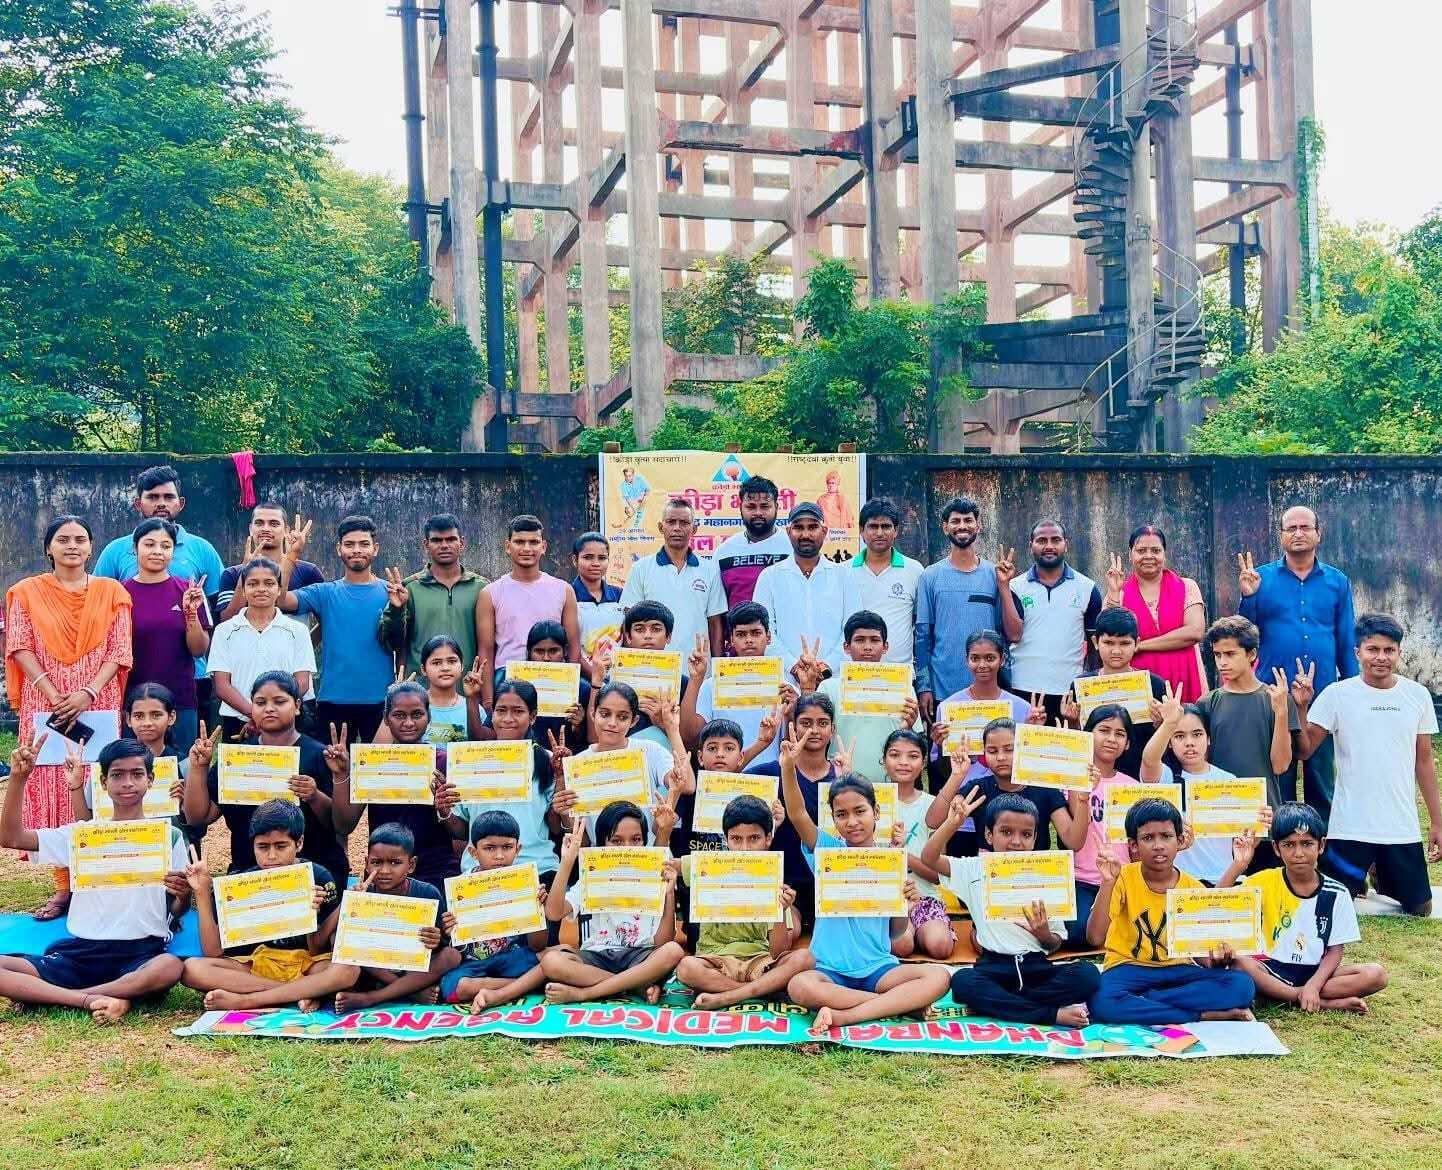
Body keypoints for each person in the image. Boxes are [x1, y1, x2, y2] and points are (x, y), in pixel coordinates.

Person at [0, 734, 187, 1023]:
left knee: (170, 967)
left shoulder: (169, 837)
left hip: (140, 952)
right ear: (103, 782)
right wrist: (18, 778)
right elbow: (11, 838)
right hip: (82, 952)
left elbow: (177, 908)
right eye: (117, 775)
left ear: (150, 780)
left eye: (137, 774)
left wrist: (185, 895)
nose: (127, 783)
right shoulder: (82, 835)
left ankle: (64, 994)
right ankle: (97, 998)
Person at [4, 515, 133, 919]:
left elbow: (120, 651)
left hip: (97, 701)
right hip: (46, 704)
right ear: (49, 547)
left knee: (96, 785)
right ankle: (64, 887)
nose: (72, 546)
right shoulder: (26, 592)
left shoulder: (112, 593)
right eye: (63, 539)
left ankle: (96, 882)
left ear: (91, 547)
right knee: (54, 788)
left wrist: (87, 692)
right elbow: (19, 647)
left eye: (80, 539)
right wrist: (54, 694)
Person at [778, 732, 951, 1031]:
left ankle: (845, 1015)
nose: (852, 822)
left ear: (876, 812)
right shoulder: (827, 851)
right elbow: (797, 813)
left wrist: (904, 903)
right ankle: (895, 1004)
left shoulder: (889, 860)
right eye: (842, 814)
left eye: (860, 811)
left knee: (939, 976)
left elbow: (897, 932)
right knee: (800, 985)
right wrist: (788, 768)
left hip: (879, 968)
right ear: (833, 819)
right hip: (829, 969)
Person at [1292, 613, 1442, 916]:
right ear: (1357, 652)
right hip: (1349, 826)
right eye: (1373, 649)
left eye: (1389, 650)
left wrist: (1437, 821)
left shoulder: (1417, 696)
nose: (1381, 657)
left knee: (1420, 908)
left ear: (1399, 652)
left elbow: (1424, 760)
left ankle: (1379, 872)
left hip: (1399, 825)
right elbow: (1305, 751)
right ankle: (1364, 870)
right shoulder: (1337, 694)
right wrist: (1302, 706)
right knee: (1334, 903)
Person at [924, 791, 1099, 1026]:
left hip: (1037, 969)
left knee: (1088, 975)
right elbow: (929, 858)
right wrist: (951, 824)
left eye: (1026, 834)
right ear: (989, 834)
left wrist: (1044, 934)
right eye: (1006, 832)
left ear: (1035, 838)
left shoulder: (1047, 874)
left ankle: (1006, 1005)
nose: (1016, 842)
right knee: (963, 981)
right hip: (993, 968)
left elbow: (1055, 943)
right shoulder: (974, 869)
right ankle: (1050, 1014)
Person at [1085, 798, 1256, 1024]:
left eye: (1166, 836)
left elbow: (1202, 958)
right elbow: (1094, 937)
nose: (1158, 845)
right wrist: (1108, 882)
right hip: (1128, 968)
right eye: (1148, 838)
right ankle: (1200, 1015)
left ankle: (1146, 1000)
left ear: (1180, 841)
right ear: (1133, 845)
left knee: (1242, 986)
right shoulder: (1122, 877)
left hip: (1177, 970)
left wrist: (1216, 959)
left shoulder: (1193, 887)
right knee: (1100, 999)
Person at [1238, 506, 1357, 822]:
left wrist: (1353, 691)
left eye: (1305, 527)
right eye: (1291, 528)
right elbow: (1244, 636)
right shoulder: (1260, 578)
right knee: (1279, 776)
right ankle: (1283, 841)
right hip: (1274, 695)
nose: (1298, 533)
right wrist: (1248, 597)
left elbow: (1346, 640)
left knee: (1321, 778)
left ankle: (1324, 844)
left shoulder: (1337, 582)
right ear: (1281, 536)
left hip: (1323, 696)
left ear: (1319, 533)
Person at [181, 799, 356, 1012]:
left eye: (281, 846)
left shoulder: (318, 877)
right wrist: (201, 892)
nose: (271, 856)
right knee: (192, 968)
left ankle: (248, 1001)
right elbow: (213, 952)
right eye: (263, 847)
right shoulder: (243, 882)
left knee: (348, 970)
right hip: (258, 965)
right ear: (253, 846)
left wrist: (313, 913)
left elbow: (317, 949)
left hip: (307, 965)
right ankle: (302, 992)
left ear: (299, 843)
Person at [183, 672, 351, 883]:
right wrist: (198, 768)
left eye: (279, 701)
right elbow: (199, 816)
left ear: (297, 706)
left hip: (312, 875)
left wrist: (315, 796)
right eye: (260, 702)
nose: (269, 708)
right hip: (250, 874)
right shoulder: (237, 759)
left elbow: (342, 825)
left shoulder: (321, 756)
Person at [1220, 804, 1387, 1013]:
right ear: (1276, 848)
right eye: (1289, 845)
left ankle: (1280, 994)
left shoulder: (1338, 893)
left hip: (1315, 972)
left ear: (1321, 845)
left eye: (1307, 843)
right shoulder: (1264, 881)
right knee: (1239, 963)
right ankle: (1311, 1000)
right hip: (1268, 967)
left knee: (1376, 974)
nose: (1298, 853)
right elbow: (1217, 904)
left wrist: (1314, 985)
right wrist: (1239, 865)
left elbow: (1335, 951)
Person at [539, 800, 687, 1004]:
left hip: (640, 958)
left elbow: (663, 942)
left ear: (645, 842)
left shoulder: (654, 875)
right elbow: (553, 913)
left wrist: (669, 894)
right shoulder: (592, 875)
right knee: (551, 961)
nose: (627, 848)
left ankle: (586, 993)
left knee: (673, 951)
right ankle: (634, 986)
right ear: (602, 844)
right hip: (597, 958)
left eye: (636, 840)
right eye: (616, 841)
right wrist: (567, 861)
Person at [675, 794, 814, 1009]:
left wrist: (780, 910)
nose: (745, 849)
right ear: (726, 839)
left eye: (754, 838)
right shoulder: (709, 865)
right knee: (686, 968)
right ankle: (760, 991)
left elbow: (777, 952)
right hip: (716, 960)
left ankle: (728, 996)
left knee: (805, 958)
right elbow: (668, 866)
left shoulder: (775, 881)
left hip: (760, 962)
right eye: (736, 839)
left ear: (768, 838)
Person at [329, 681, 463, 890]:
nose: (408, 723)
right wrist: (341, 775)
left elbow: (462, 832)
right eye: (399, 715)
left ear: (429, 716)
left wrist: (445, 811)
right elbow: (344, 825)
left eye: (417, 714)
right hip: (383, 874)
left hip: (436, 871)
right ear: (386, 719)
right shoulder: (372, 762)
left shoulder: (444, 762)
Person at [1138, 686, 1272, 886]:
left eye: (1197, 734)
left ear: (1208, 738)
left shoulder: (1229, 781)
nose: (1189, 743)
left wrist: (1259, 825)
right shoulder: (1165, 777)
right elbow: (1149, 760)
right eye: (1179, 736)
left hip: (1225, 881)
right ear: (1169, 742)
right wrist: (1169, 723)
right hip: (1180, 884)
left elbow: (1245, 842)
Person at [279, 514, 392, 743]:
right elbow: (280, 599)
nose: (356, 550)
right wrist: (292, 555)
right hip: (333, 700)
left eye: (364, 544)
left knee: (380, 765)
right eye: (349, 544)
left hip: (382, 701)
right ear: (339, 549)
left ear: (375, 548)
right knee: (333, 764)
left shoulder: (393, 593)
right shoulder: (324, 592)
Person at [441, 679, 562, 894]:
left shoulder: (548, 761)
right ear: (492, 714)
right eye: (501, 710)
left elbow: (555, 827)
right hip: (480, 871)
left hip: (536, 870)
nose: (508, 719)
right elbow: (461, 830)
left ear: (533, 716)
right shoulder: (469, 761)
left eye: (518, 711)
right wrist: (445, 812)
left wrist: (561, 778)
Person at [914, 496, 1023, 722]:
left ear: (978, 526)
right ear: (945, 527)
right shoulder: (929, 577)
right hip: (944, 690)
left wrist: (1004, 585)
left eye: (968, 520)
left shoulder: (996, 574)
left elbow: (1012, 634)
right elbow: (923, 638)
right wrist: (924, 687)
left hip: (991, 691)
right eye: (955, 521)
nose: (962, 526)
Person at [924, 718, 1089, 863]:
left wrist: (1082, 798)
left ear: (1022, 748)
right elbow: (933, 821)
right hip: (991, 880)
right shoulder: (978, 789)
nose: (1001, 757)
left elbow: (1074, 842)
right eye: (992, 751)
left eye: (1009, 749)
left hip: (1034, 878)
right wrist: (957, 775)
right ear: (983, 754)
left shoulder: (1045, 790)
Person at [333, 823, 456, 1014]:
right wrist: (352, 902)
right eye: (376, 862)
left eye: (394, 863)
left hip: (413, 968)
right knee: (337, 938)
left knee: (452, 956)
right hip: (377, 969)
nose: (384, 870)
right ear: (366, 863)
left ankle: (371, 998)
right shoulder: (362, 895)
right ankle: (410, 991)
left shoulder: (428, 893)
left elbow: (441, 943)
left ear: (411, 865)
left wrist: (436, 940)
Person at [743, 693, 842, 923]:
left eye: (822, 723)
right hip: (783, 887)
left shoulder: (842, 779)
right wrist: (761, 743)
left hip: (832, 888)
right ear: (793, 727)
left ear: (833, 730)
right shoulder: (768, 773)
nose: (814, 730)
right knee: (789, 931)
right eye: (806, 723)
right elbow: (722, 780)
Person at [438, 810, 550, 1010]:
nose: (499, 856)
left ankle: (513, 985)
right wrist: (449, 931)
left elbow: (537, 945)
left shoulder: (525, 884)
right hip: (472, 966)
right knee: (459, 986)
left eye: (507, 847)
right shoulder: (459, 888)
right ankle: (528, 984)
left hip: (513, 959)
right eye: (489, 848)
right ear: (474, 852)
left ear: (517, 849)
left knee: (555, 958)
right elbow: (454, 952)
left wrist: (538, 909)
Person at [1194, 616, 1301, 814]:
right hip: (1219, 812)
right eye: (1217, 655)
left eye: (1230, 654)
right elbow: (1198, 764)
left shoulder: (1277, 699)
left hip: (1263, 812)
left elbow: (1280, 765)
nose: (1222, 662)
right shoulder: (1207, 703)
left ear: (1251, 654)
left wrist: (1281, 714)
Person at [122, 518, 211, 753]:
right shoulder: (119, 593)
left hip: (179, 699)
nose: (157, 551)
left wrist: (190, 614)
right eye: (149, 544)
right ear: (135, 548)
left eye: (165, 546)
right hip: (133, 703)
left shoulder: (188, 591)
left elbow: (198, 650)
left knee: (181, 767)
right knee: (134, 766)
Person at [207, 558, 316, 743]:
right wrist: (254, 714)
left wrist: (270, 713)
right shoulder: (224, 631)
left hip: (288, 723)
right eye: (252, 583)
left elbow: (302, 682)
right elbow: (222, 685)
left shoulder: (298, 630)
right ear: (243, 590)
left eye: (269, 583)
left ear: (279, 589)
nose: (261, 589)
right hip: (238, 723)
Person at [477, 515, 579, 707]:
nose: (526, 548)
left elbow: (573, 647)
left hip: (553, 680)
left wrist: (572, 691)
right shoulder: (490, 593)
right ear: (508, 546)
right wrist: (488, 701)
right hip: (507, 681)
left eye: (533, 542)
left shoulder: (563, 590)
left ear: (544, 547)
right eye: (519, 542)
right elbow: (486, 651)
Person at [1007, 520, 1102, 722]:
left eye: (1055, 540)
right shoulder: (1014, 587)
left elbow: (1095, 646)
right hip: (1023, 689)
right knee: (1025, 743)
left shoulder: (1087, 588)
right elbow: (1010, 636)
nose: (1049, 546)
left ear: (1066, 544)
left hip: (1069, 692)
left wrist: (1088, 683)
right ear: (1031, 545)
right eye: (1042, 540)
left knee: (1067, 742)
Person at [813, 611, 920, 785]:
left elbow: (915, 742)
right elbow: (815, 734)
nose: (867, 647)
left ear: (885, 646)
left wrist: (909, 728)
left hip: (889, 784)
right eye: (860, 640)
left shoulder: (903, 686)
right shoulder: (828, 688)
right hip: (841, 783)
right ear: (846, 647)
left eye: (875, 640)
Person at [93, 464, 225, 605]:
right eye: (152, 497)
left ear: (181, 504)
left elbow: (219, 606)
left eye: (169, 497)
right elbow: (96, 601)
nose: (161, 503)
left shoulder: (202, 549)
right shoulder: (115, 550)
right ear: (138, 504)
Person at [682, 601, 794, 768]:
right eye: (741, 634)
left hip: (769, 775)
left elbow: (792, 746)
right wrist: (695, 679)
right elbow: (689, 737)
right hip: (723, 777)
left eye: (756, 633)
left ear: (769, 637)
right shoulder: (711, 685)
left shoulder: (786, 689)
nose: (749, 640)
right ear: (731, 640)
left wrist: (791, 713)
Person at [1102, 526, 1205, 702]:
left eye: (1156, 550)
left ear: (1164, 554)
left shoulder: (1187, 586)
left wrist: (1140, 646)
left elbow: (1194, 632)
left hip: (1183, 674)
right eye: (1141, 550)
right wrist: (1113, 593)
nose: (1149, 556)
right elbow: (1109, 636)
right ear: (1130, 555)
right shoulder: (1120, 593)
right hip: (1138, 682)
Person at [378, 513, 487, 678]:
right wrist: (396, 609)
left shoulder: (482, 588)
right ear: (426, 544)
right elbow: (391, 643)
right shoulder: (409, 588)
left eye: (451, 539)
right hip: (421, 689)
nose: (444, 545)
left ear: (462, 543)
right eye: (437, 540)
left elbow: (490, 646)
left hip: (468, 687)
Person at [1065, 607, 1167, 779]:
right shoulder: (1080, 686)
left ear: (1137, 643)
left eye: (1124, 643)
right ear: (1095, 642)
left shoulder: (1154, 685)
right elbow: (1078, 740)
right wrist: (1072, 721)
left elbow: (1163, 741)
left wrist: (1162, 724)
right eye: (1109, 643)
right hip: (1095, 777)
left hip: (1140, 776)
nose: (1116, 651)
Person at [618, 498, 727, 657]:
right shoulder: (641, 569)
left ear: (694, 529)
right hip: (654, 665)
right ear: (661, 527)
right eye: (671, 522)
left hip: (698, 665)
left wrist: (717, 666)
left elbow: (715, 623)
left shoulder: (710, 570)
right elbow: (629, 620)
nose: (677, 528)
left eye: (684, 523)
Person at [753, 502, 846, 683]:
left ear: (824, 531)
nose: (805, 535)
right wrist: (793, 667)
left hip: (833, 681)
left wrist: (826, 667)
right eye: (798, 527)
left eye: (812, 527)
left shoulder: (844, 576)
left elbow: (852, 630)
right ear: (789, 532)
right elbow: (763, 631)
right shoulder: (769, 577)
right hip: (783, 682)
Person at [883, 730, 954, 961]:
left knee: (940, 946)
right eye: (895, 755)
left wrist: (903, 855)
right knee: (902, 945)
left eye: (913, 756)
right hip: (883, 898)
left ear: (923, 763)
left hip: (925, 896)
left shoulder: (933, 806)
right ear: (884, 760)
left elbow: (937, 876)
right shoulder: (870, 801)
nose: (903, 762)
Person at [840, 498, 923, 667]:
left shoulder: (914, 570)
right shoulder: (842, 571)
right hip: (853, 672)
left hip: (899, 673)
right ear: (861, 530)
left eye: (885, 526)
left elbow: (920, 624)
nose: (879, 533)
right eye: (873, 526)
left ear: (896, 530)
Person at [215, 502, 323, 620]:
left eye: (274, 524)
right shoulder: (232, 574)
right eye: (259, 523)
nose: (265, 529)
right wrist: (244, 576)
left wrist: (306, 635)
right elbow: (225, 621)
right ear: (250, 529)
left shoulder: (309, 572)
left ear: (286, 530)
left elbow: (327, 619)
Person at [492, 621, 587, 749]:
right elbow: (489, 732)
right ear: (529, 652)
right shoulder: (511, 683)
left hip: (565, 756)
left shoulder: (582, 688)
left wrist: (579, 725)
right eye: (539, 651)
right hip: (521, 754)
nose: (546, 658)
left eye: (553, 651)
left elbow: (590, 742)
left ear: (565, 651)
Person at [369, 635, 477, 743]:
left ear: (462, 665)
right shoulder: (410, 703)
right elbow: (378, 749)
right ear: (423, 669)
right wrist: (394, 697)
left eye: (452, 661)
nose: (445, 668)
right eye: (436, 663)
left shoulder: (473, 708)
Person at [714, 476, 791, 608]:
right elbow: (716, 608)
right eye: (751, 507)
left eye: (765, 506)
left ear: (776, 507)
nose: (758, 513)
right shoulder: (724, 552)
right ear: (740, 508)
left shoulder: (792, 547)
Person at [571, 531, 625, 673]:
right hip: (581, 677)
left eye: (602, 558)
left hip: (617, 676)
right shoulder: (568, 595)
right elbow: (568, 647)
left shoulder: (620, 595)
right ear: (575, 560)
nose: (595, 563)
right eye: (588, 557)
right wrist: (595, 676)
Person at [618, 466, 650, 531]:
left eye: (629, 476)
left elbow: (647, 490)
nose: (628, 478)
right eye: (626, 476)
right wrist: (631, 507)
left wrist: (643, 499)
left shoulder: (639, 479)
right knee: (630, 513)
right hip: (631, 503)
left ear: (633, 475)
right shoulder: (623, 485)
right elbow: (626, 499)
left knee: (640, 514)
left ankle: (636, 526)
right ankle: (632, 527)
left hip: (643, 499)